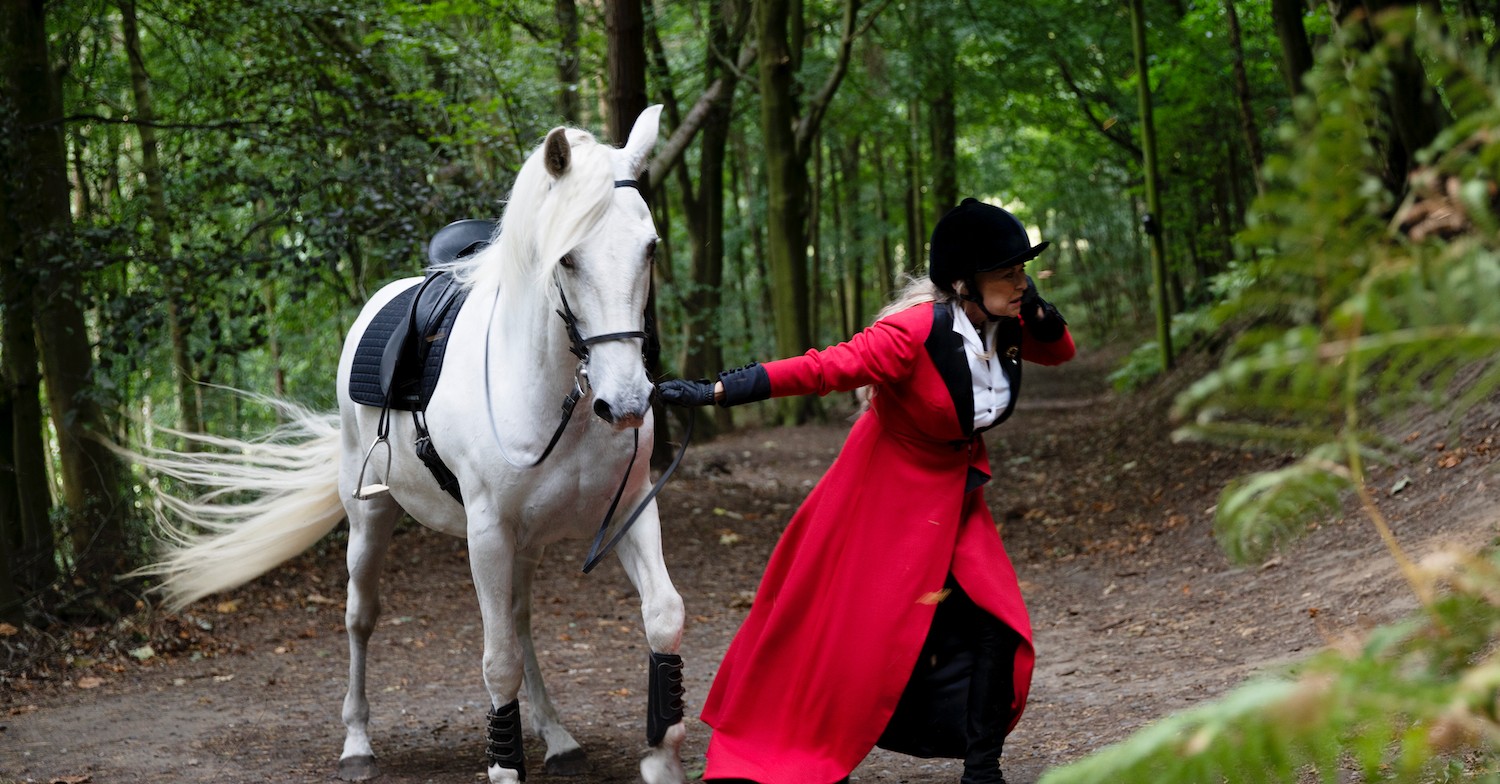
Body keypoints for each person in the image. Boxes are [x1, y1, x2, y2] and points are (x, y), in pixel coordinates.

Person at [658, 198, 1076, 784]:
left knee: (997, 623)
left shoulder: (1007, 320)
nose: (1021, 282)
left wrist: (1041, 313)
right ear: (964, 283)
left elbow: (1060, 352)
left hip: (954, 498)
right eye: (1007, 273)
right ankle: (799, 737)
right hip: (882, 494)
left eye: (1021, 270)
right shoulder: (914, 331)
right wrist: (719, 390)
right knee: (848, 632)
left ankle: (983, 772)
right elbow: (826, 368)